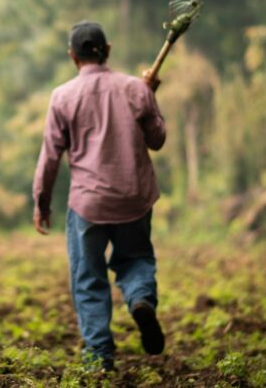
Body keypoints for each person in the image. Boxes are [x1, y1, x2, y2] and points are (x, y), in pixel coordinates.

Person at [32, 20, 166, 372]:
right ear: (107, 51)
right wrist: (150, 94)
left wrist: (41, 202)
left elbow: (50, 156)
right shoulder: (135, 89)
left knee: (88, 276)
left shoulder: (62, 96)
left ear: (73, 56)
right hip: (134, 198)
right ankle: (140, 301)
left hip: (88, 204)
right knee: (135, 258)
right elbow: (157, 139)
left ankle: (99, 356)